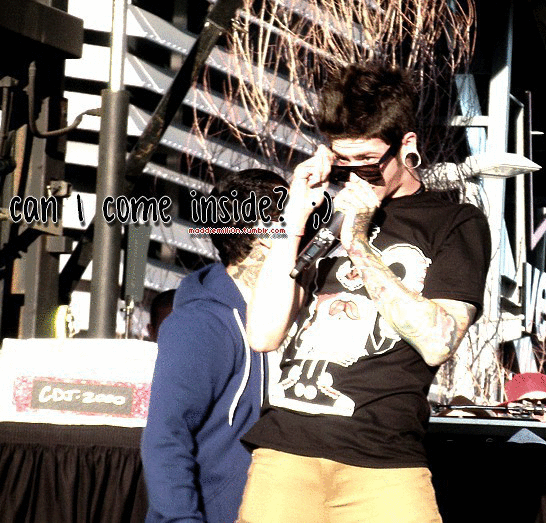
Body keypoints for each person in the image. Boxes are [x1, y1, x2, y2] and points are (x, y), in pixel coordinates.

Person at [238, 62, 492, 523]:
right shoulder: (318, 216)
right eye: (343, 163)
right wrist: (295, 215)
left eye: (370, 164)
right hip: (286, 453)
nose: (356, 177)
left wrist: (356, 239)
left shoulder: (455, 223)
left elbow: (438, 342)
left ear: (407, 145)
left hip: (384, 460)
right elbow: (263, 334)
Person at [141, 168, 287, 523]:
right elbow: (166, 438)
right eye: (295, 221)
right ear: (263, 234)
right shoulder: (200, 324)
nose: (308, 234)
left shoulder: (295, 313)